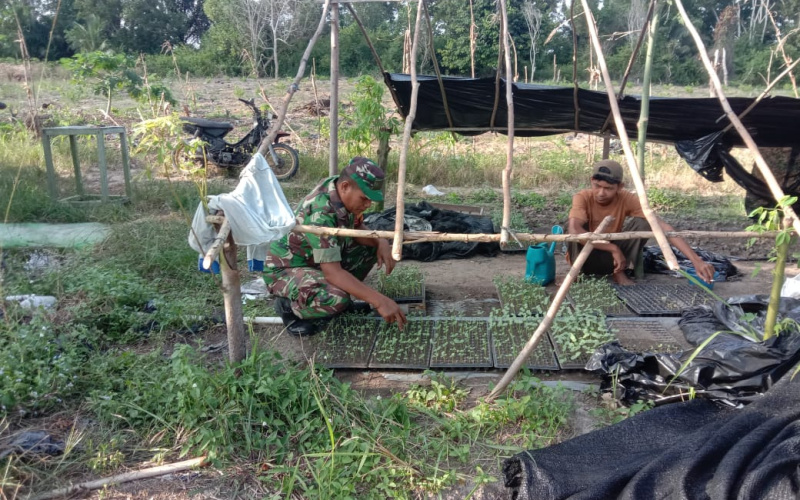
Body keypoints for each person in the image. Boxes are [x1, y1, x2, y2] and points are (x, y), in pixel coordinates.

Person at [264, 157, 407, 336]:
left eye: (370, 200)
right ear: (345, 186)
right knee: (336, 297)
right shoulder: (320, 213)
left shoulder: (339, 190)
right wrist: (379, 301)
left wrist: (380, 241)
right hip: (286, 269)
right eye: (364, 198)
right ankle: (290, 309)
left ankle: (339, 302)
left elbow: (356, 227)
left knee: (370, 247)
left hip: (316, 261)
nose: (368, 205)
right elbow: (333, 272)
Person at [567, 159, 716, 286]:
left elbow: (662, 226)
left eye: (608, 188)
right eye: (597, 186)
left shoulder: (626, 198)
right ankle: (575, 273)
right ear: (591, 181)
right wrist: (612, 248)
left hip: (614, 260)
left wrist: (696, 260)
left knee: (645, 222)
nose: (601, 193)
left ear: (620, 187)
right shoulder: (582, 197)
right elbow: (574, 231)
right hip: (584, 258)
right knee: (573, 225)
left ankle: (618, 272)